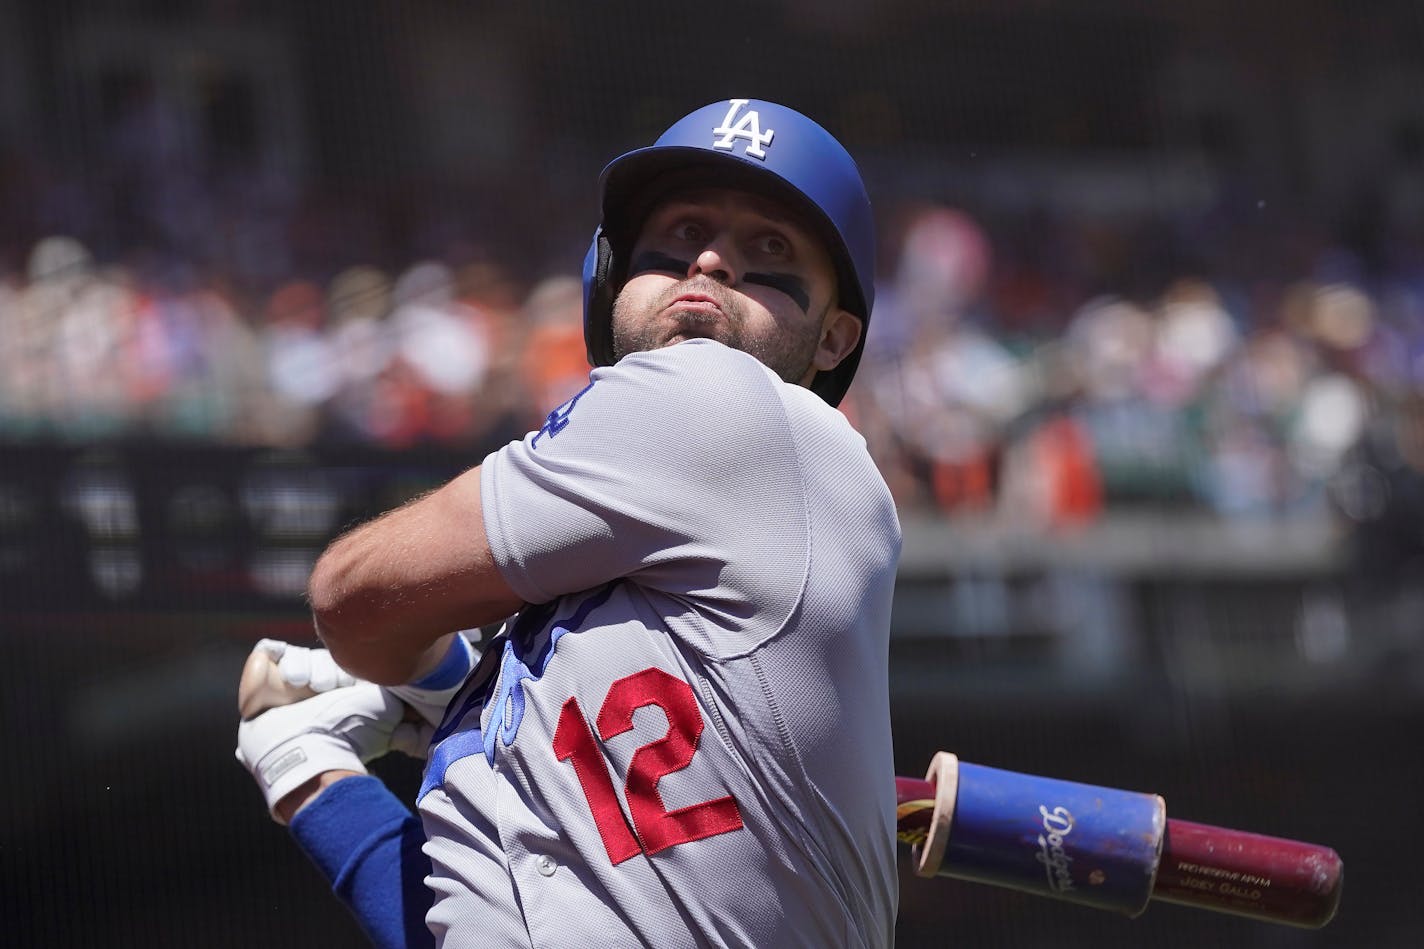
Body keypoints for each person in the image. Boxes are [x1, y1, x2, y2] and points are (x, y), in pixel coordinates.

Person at [236, 97, 902, 949]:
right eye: (684, 229)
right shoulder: (538, 669)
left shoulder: (732, 404)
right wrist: (315, 774)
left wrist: (432, 667)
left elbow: (350, 597)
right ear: (614, 277)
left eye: (768, 247)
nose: (708, 260)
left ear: (834, 338)